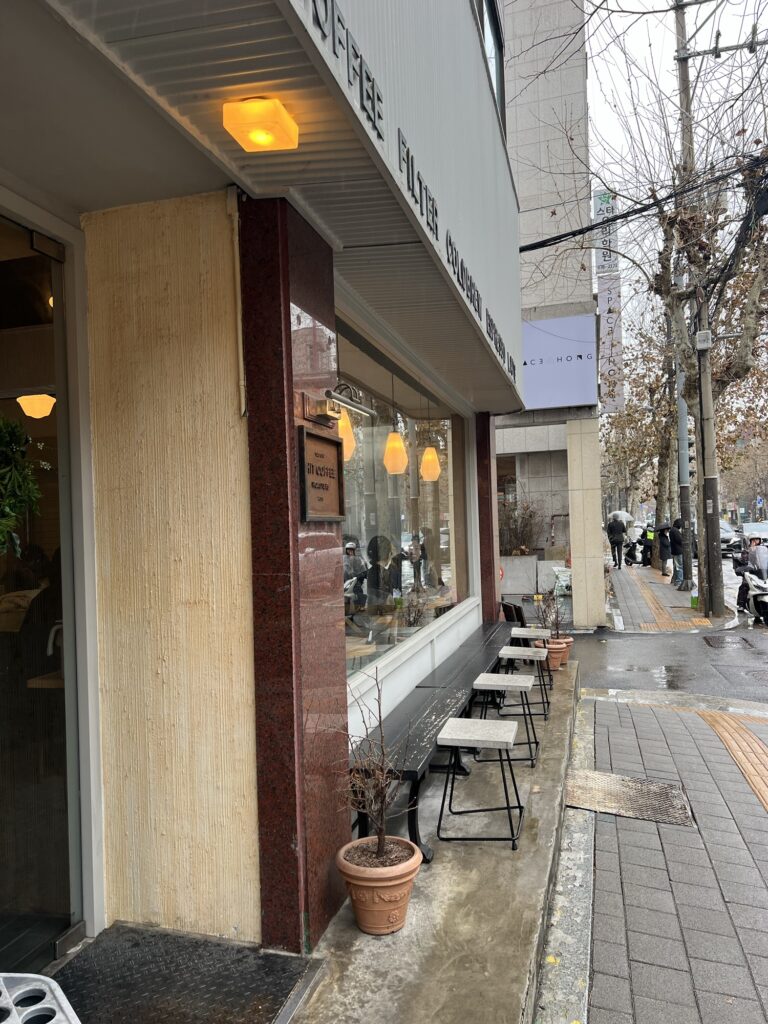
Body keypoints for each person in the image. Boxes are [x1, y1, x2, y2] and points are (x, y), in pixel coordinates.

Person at [343, 540, 367, 615]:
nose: (350, 552)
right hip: (346, 581)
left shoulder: (359, 560)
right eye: (348, 550)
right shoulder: (344, 559)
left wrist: (362, 574)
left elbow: (363, 568)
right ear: (346, 551)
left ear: (354, 551)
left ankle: (361, 606)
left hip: (356, 580)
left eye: (351, 550)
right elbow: (340, 568)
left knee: (358, 590)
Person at [670, 518, 684, 585]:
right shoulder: (675, 531)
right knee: (679, 566)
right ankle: (679, 581)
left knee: (676, 566)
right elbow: (679, 540)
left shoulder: (672, 530)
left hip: (675, 550)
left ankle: (675, 580)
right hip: (678, 551)